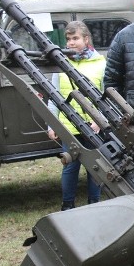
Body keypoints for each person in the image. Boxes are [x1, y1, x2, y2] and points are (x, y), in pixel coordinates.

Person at [47, 20, 105, 211]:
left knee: (94, 168)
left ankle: (94, 205)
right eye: (68, 39)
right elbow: (53, 94)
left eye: (75, 38)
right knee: (70, 167)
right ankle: (67, 205)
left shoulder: (100, 63)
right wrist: (52, 124)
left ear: (86, 39)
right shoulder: (61, 63)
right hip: (69, 127)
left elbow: (105, 96)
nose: (71, 43)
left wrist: (99, 122)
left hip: (92, 126)